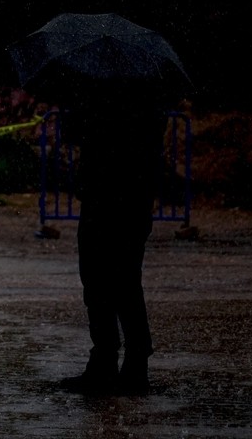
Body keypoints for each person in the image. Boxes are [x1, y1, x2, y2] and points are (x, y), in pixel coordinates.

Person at [58, 94, 168, 396]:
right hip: (117, 199)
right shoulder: (146, 101)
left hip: (116, 199)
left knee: (118, 283)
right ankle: (113, 362)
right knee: (103, 283)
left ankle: (126, 363)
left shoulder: (120, 101)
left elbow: (76, 133)